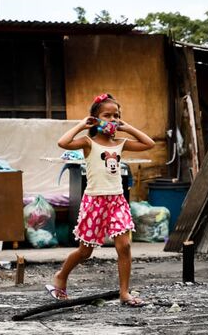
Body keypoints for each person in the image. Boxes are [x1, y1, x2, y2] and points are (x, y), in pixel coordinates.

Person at [46, 92, 155, 306]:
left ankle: (124, 293)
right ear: (95, 119)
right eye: (107, 115)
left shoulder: (121, 143)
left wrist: (127, 127)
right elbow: (63, 142)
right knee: (85, 251)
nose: (112, 120)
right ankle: (61, 275)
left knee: (124, 246)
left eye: (116, 116)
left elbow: (149, 143)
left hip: (117, 201)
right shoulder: (88, 143)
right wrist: (82, 125)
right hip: (94, 202)